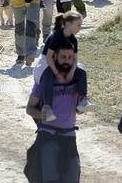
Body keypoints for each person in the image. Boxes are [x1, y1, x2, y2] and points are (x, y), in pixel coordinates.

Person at [26, 45, 82, 183]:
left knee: (72, 179)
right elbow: (30, 108)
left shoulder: (77, 80)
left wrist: (80, 107)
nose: (67, 61)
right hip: (48, 138)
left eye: (70, 57)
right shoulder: (45, 80)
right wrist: (42, 115)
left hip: (69, 137)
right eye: (63, 57)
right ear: (54, 57)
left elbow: (78, 108)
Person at [33, 11, 89, 123]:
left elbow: (75, 58)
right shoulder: (56, 36)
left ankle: (83, 99)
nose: (80, 28)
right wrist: (58, 74)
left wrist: (71, 73)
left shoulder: (73, 39)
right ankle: (48, 108)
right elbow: (49, 57)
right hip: (48, 62)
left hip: (65, 60)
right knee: (48, 76)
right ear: (68, 24)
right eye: (78, 25)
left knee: (82, 71)